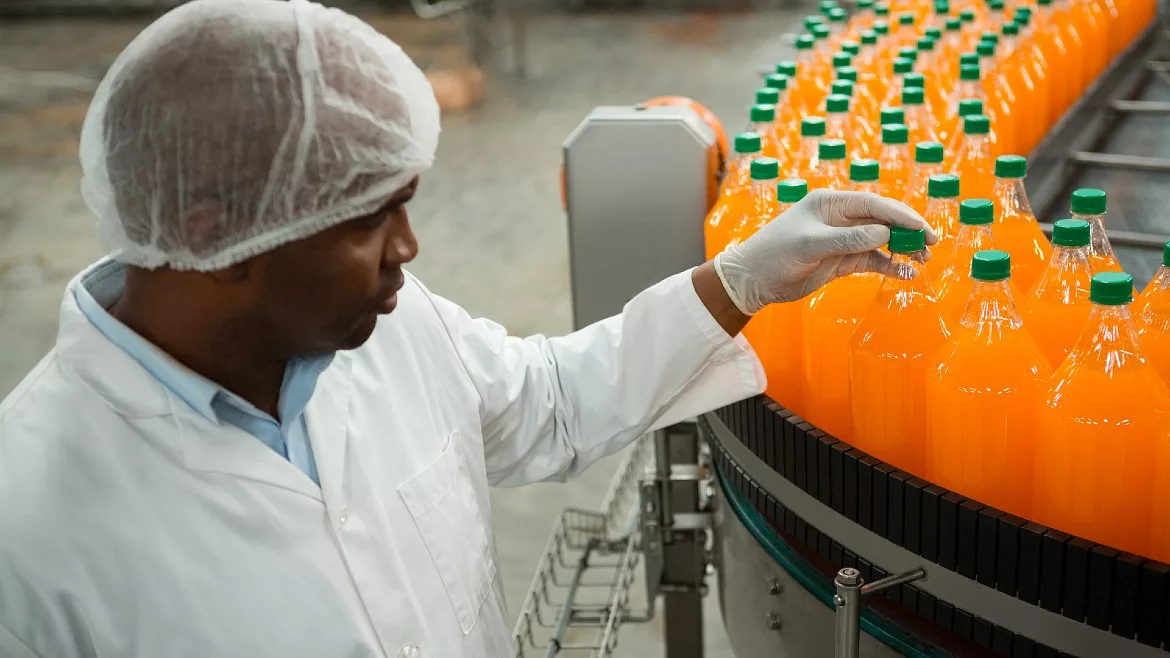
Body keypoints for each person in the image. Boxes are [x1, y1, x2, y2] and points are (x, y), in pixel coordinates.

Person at [0, 1, 932, 657]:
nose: (409, 246)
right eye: (371, 219)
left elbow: (553, 404)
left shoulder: (382, 327)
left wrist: (737, 282)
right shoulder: (29, 533)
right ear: (216, 234)